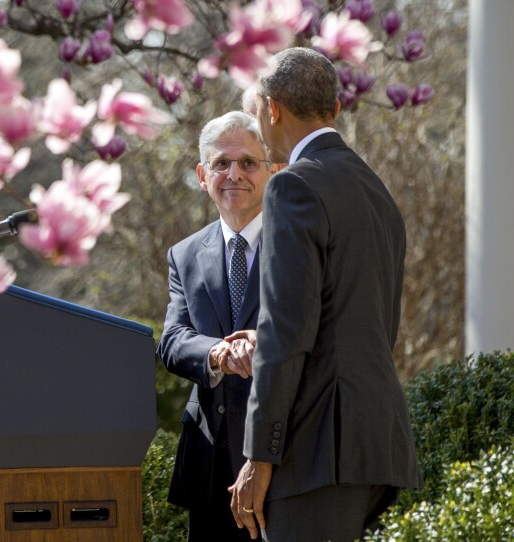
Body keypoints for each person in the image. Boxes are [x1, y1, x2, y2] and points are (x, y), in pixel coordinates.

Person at [227, 47, 423, 541]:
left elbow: (286, 334)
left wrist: (259, 455)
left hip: (318, 449)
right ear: (334, 110)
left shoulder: (292, 185)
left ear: (271, 108)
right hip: (376, 442)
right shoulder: (376, 190)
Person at [157, 110, 274, 542]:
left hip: (280, 461)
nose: (234, 174)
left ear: (272, 170)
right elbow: (172, 340)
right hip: (207, 469)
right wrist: (218, 353)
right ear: (203, 175)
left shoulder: (298, 246)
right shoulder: (184, 254)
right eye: (221, 163)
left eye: (247, 162)